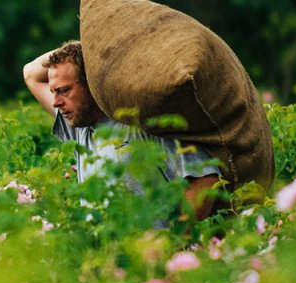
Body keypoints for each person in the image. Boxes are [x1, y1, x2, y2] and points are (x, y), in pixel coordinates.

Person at [22, 40, 222, 221]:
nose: (56, 102)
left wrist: (171, 243)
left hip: (144, 258)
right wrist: (93, 43)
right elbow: (31, 73)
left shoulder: (142, 122)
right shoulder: (78, 127)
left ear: (92, 83)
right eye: (53, 92)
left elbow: (205, 180)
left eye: (64, 90)